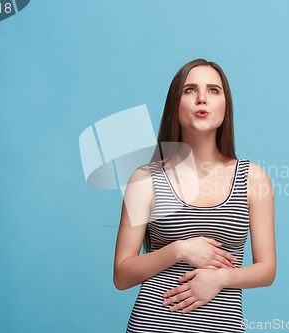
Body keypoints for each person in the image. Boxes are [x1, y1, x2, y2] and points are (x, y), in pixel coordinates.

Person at [113, 59, 276, 332]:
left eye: (213, 90)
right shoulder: (145, 179)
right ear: (174, 105)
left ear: (226, 105)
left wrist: (220, 278)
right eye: (190, 90)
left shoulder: (253, 178)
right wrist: (179, 249)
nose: (202, 98)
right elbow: (121, 275)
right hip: (153, 324)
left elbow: (267, 270)